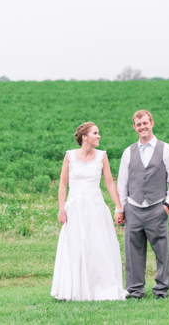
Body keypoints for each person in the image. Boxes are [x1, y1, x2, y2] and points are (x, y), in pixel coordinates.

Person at [51, 122, 127, 301]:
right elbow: (62, 184)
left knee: (98, 247)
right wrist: (61, 209)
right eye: (95, 133)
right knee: (76, 247)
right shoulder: (69, 156)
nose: (99, 136)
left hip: (95, 208)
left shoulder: (102, 156)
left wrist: (119, 207)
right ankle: (75, 288)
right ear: (85, 137)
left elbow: (109, 183)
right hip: (75, 208)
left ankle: (99, 288)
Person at [115, 110, 169, 299]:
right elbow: (122, 183)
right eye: (138, 124)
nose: (142, 127)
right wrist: (121, 208)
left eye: (145, 123)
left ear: (152, 123)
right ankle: (135, 290)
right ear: (134, 127)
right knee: (132, 251)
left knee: (162, 250)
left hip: (157, 207)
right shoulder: (128, 152)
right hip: (133, 208)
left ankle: (161, 289)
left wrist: (168, 205)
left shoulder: (167, 149)